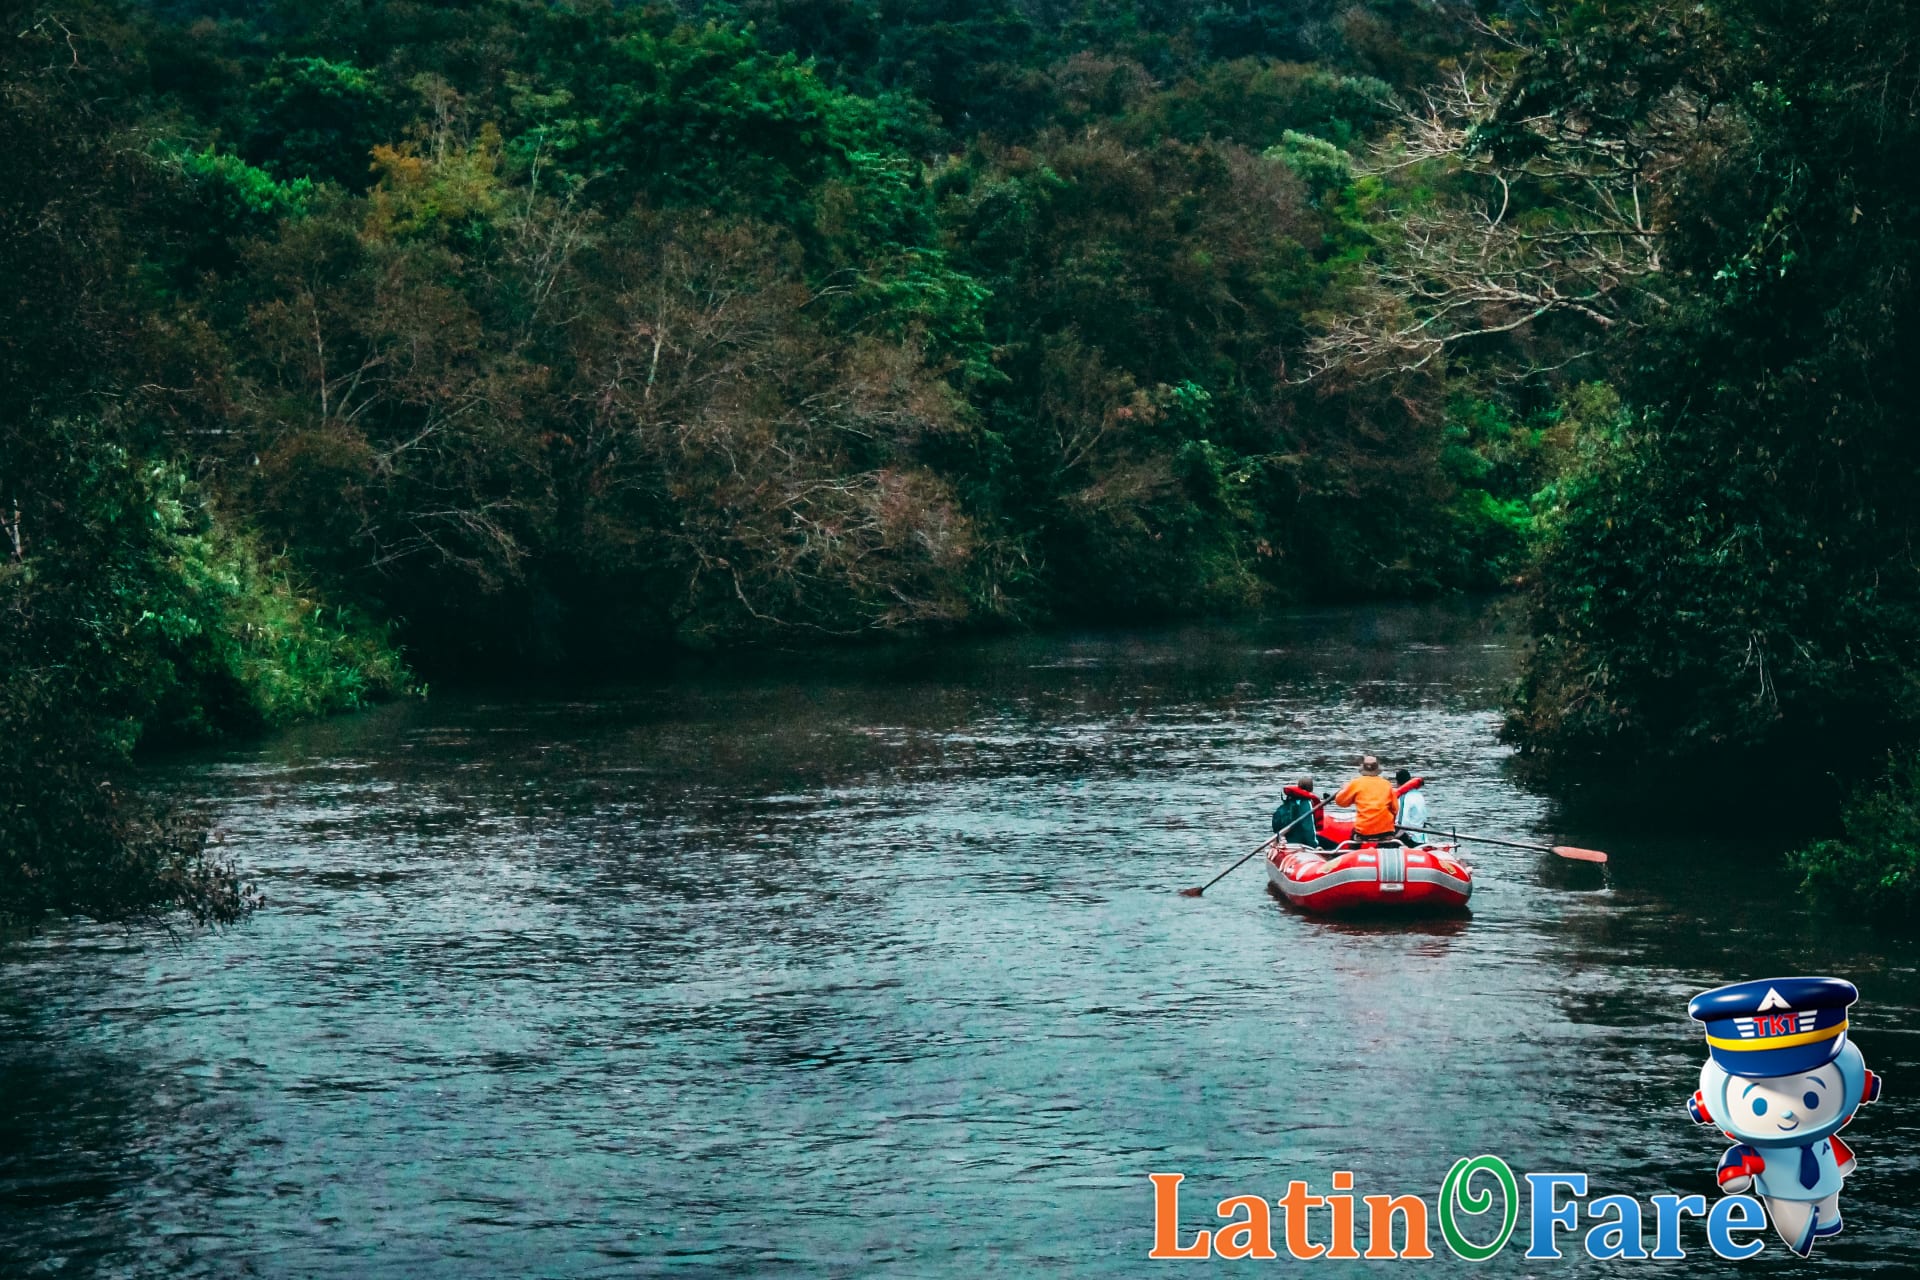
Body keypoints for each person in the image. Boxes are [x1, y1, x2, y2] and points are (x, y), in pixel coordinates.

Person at [1334, 755, 1399, 845]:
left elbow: (1341, 802)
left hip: (1364, 830)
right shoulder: (1387, 784)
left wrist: (1345, 789)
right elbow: (1395, 809)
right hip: (1386, 830)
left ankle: (1352, 854)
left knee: (1354, 838)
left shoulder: (1356, 783)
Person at [1272, 776, 1329, 847]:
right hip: (1300, 841)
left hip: (1289, 838)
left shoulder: (1291, 799)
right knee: (1330, 844)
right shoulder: (1306, 803)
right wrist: (1315, 845)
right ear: (1311, 788)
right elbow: (1308, 827)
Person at [1395, 767, 1429, 843]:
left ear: (1397, 782)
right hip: (1422, 837)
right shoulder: (1418, 794)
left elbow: (1402, 823)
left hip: (1411, 839)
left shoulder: (1403, 797)